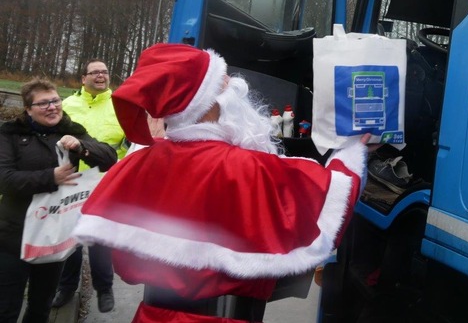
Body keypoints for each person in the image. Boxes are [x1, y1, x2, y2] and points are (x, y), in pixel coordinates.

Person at [73, 43, 371, 323]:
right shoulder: (251, 168)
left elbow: (124, 263)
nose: (235, 91)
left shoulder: (135, 165)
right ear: (209, 104)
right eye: (225, 86)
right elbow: (334, 192)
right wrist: (353, 148)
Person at [0, 78, 117, 323]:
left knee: (41, 306)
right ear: (28, 108)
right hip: (13, 235)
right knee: (6, 306)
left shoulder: (71, 130)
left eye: (55, 101)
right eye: (43, 103)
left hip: (53, 236)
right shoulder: (10, 133)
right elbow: (5, 178)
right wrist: (49, 177)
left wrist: (83, 147)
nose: (52, 107)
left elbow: (109, 157)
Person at [52, 60, 126, 313]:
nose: (100, 76)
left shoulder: (120, 105)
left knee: (99, 240)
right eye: (94, 72)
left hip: (105, 182)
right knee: (69, 239)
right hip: (71, 182)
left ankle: (104, 288)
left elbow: (131, 144)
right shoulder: (67, 105)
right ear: (83, 79)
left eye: (104, 72)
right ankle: (66, 287)